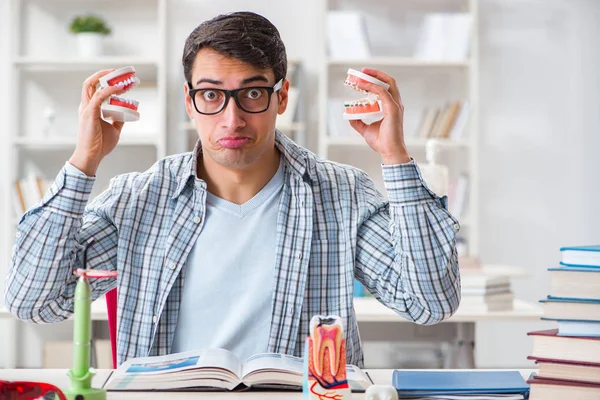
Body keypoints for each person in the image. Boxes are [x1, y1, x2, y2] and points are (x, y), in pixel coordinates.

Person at [4, 11, 460, 367]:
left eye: (252, 93)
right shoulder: (140, 199)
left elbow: (429, 303)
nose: (232, 118)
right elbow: (34, 302)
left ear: (282, 97)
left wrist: (395, 157)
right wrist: (84, 162)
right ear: (189, 102)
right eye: (211, 94)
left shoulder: (341, 194)